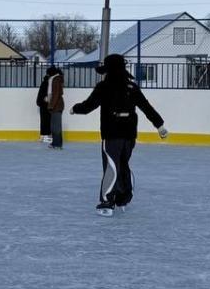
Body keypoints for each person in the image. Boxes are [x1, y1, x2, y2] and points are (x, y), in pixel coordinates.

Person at [70, 53, 168, 216]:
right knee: (123, 164)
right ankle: (123, 197)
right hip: (129, 134)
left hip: (112, 133)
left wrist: (75, 108)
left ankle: (108, 201)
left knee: (111, 165)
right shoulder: (131, 87)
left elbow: (88, 106)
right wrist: (160, 125)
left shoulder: (104, 87)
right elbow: (146, 107)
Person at [46, 66, 65, 149]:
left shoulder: (56, 79)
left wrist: (51, 105)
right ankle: (55, 143)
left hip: (57, 105)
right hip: (56, 105)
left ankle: (57, 144)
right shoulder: (54, 79)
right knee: (54, 125)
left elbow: (56, 93)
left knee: (56, 126)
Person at [36, 71, 52, 144]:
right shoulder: (48, 84)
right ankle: (48, 135)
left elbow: (40, 96)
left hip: (42, 104)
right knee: (48, 120)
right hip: (45, 104)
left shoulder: (44, 84)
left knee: (43, 120)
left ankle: (43, 136)